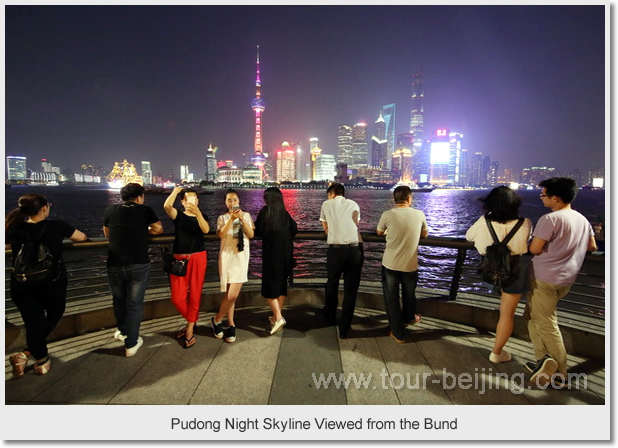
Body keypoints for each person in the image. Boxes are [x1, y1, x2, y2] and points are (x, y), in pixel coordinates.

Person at [525, 177, 597, 386]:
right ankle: (543, 361)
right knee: (531, 316)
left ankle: (560, 374)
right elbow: (591, 246)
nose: (541, 198)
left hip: (545, 278)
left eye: (543, 195)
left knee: (547, 324)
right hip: (566, 279)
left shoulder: (550, 220)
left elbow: (535, 249)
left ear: (555, 198)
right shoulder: (581, 219)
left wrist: (551, 248)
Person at [6, 194, 87, 377]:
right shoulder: (56, 226)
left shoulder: (14, 227)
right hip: (51, 282)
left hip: (22, 282)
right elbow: (81, 238)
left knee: (33, 322)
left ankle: (25, 356)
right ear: (44, 208)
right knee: (54, 313)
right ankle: (40, 361)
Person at [466, 186, 533, 362]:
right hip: (515, 272)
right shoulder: (525, 223)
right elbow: (526, 243)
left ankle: (497, 349)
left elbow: (469, 236)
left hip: (490, 271)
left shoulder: (483, 222)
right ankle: (497, 352)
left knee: (501, 304)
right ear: (515, 203)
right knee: (507, 314)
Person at [103, 183, 163, 357]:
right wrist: (144, 230)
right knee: (135, 304)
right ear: (139, 197)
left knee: (119, 300)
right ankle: (131, 343)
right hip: (137, 262)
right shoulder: (144, 210)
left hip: (114, 262)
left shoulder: (110, 210)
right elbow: (159, 229)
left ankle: (122, 332)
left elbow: (107, 233)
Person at [376, 185, 428, 344]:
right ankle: (408, 318)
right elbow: (424, 234)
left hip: (391, 264)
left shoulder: (387, 214)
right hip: (410, 264)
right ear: (409, 199)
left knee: (391, 297)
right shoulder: (419, 214)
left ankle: (398, 333)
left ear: (395, 199)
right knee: (409, 293)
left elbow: (379, 232)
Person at [163, 186, 210, 348]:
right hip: (179, 259)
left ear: (198, 201)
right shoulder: (179, 216)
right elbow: (167, 207)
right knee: (177, 297)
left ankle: (189, 329)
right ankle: (192, 320)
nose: (192, 201)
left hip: (198, 257)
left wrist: (197, 213)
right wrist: (176, 191)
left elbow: (206, 229)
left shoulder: (202, 215)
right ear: (183, 202)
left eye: (195, 198)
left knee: (195, 294)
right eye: (188, 199)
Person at [319, 182, 363, 339]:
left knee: (332, 282)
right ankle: (344, 327)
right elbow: (356, 224)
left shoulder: (327, 204)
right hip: (353, 249)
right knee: (350, 289)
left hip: (336, 250)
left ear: (331, 194)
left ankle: (330, 316)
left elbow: (324, 225)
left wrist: (329, 229)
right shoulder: (354, 204)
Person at [211, 189, 255, 343]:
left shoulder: (247, 216)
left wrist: (241, 219)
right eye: (229, 200)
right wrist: (231, 219)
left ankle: (217, 319)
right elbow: (221, 235)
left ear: (239, 201)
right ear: (225, 202)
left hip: (241, 257)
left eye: (235, 199)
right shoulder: (222, 218)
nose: (232, 202)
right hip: (227, 256)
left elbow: (251, 234)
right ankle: (231, 324)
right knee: (229, 294)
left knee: (232, 295)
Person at [254, 187, 298, 334]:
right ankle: (275, 317)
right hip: (286, 255)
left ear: (268, 199)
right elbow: (294, 229)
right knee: (281, 286)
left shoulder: (265, 212)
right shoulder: (284, 213)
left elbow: (257, 231)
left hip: (271, 255)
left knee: (268, 289)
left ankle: (278, 317)